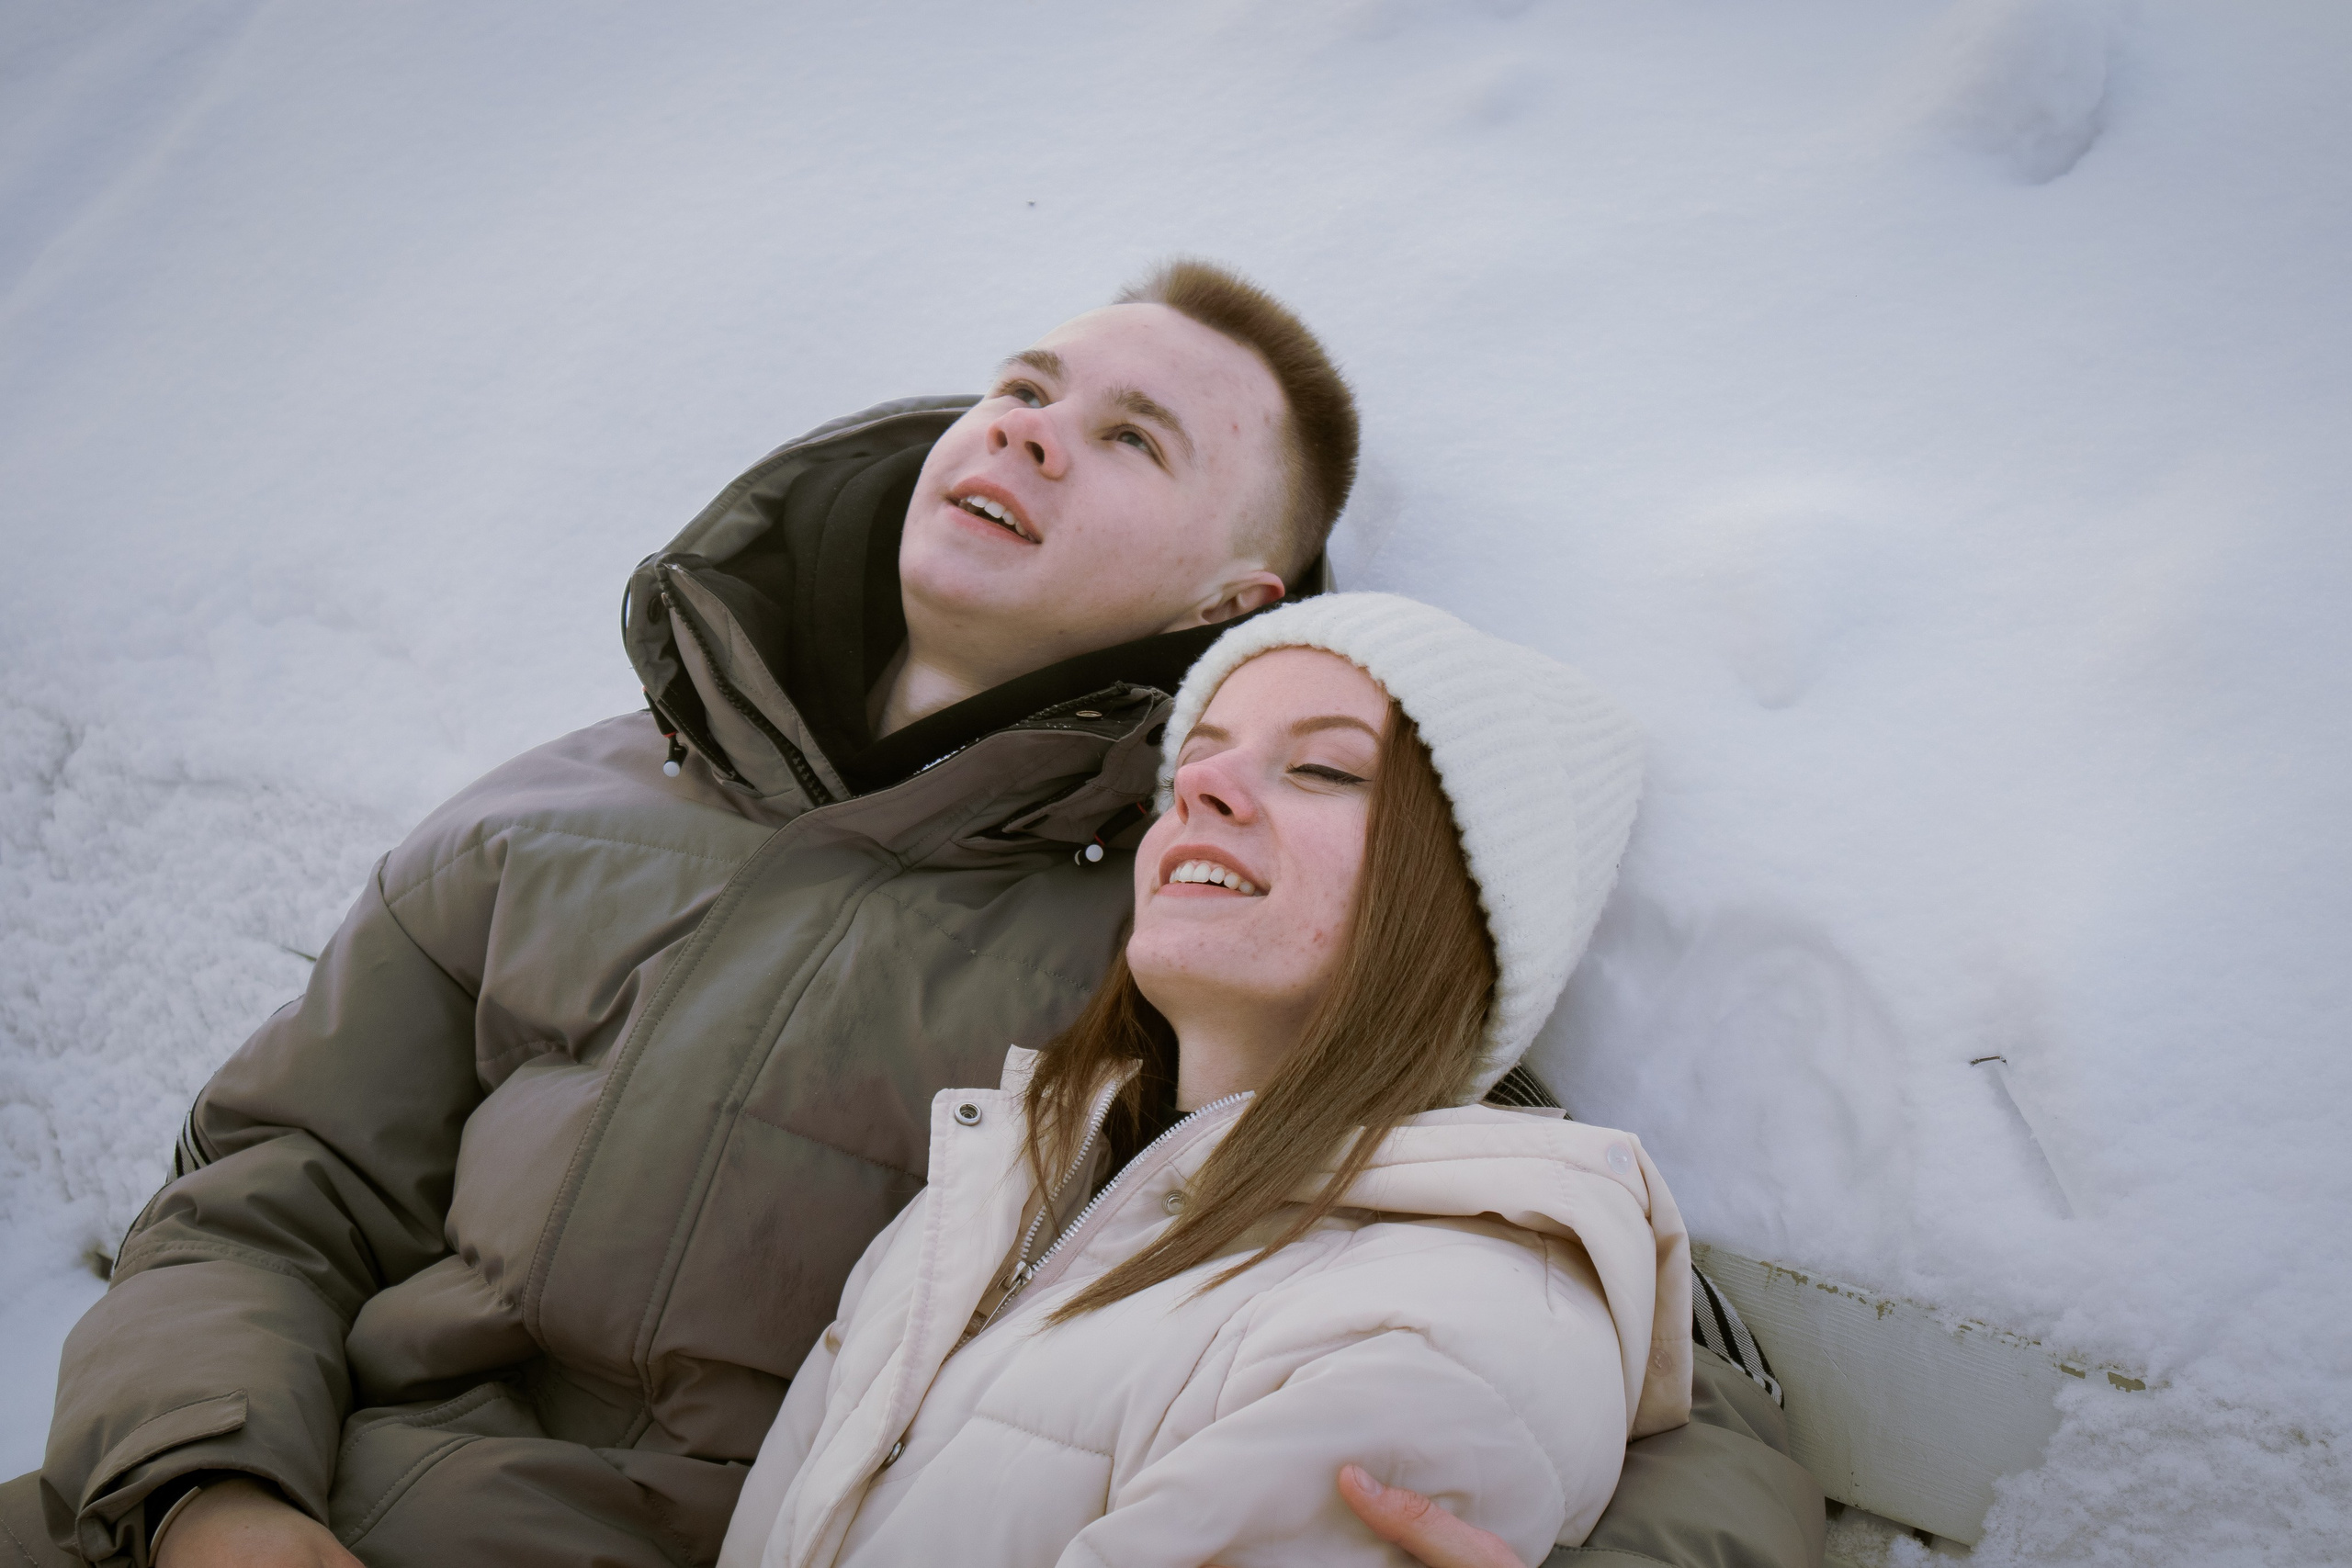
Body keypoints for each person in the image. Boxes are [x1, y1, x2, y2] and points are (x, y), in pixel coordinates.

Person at [1, 263, 1822, 1568]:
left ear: (1233, 588)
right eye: (1021, 387)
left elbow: (1611, 1322)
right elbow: (267, 1188)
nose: (1025, 433)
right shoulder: (564, 798)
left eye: (1127, 438)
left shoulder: (1199, 932)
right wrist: (212, 1495)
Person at [718, 592, 1680, 1568]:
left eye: (1323, 766)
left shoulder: (1449, 1333)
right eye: (1195, 757)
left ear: (1463, 904)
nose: (1202, 785)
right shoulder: (997, 1180)